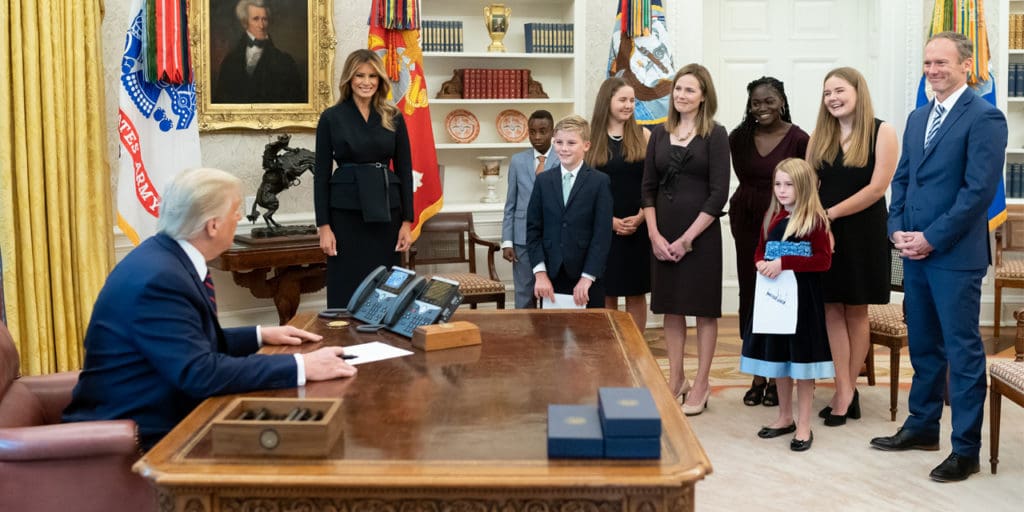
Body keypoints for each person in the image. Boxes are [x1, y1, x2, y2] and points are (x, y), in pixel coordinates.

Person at [62, 168, 357, 450]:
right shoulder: (159, 279)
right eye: (235, 210)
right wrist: (302, 366)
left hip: (164, 412)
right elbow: (199, 373)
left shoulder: (165, 257)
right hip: (142, 437)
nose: (239, 217)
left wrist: (259, 335)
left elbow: (186, 343)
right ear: (213, 225)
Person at [871, 31, 1008, 483]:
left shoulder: (985, 117)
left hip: (954, 256)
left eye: (941, 63)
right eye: (928, 63)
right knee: (925, 346)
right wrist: (895, 228)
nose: (932, 70)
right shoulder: (917, 118)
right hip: (913, 253)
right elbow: (903, 180)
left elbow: (977, 193)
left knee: (961, 353)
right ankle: (923, 426)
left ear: (966, 65)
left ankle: (965, 449)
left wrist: (931, 237)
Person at [807, 67, 898, 427]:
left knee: (856, 311)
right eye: (827, 93)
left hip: (864, 232)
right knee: (830, 308)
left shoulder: (882, 131)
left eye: (839, 90)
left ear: (858, 92)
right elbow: (809, 187)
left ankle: (846, 393)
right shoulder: (819, 136)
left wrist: (831, 214)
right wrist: (819, 222)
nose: (833, 98)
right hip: (825, 234)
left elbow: (877, 189)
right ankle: (844, 389)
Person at [642, 64, 730, 415]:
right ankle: (676, 379)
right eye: (678, 89)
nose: (681, 95)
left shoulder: (716, 135)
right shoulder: (659, 134)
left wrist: (688, 238)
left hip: (701, 237)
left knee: (704, 312)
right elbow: (647, 188)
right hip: (662, 236)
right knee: (671, 309)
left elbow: (719, 193)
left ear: (704, 96)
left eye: (690, 90)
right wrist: (654, 234)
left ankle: (702, 383)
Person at [740, 158, 834, 452]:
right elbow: (760, 249)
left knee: (801, 365)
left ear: (803, 187)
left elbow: (823, 260)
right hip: (774, 303)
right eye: (778, 184)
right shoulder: (773, 217)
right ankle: (784, 417)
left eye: (789, 185)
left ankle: (804, 424)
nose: (781, 190)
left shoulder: (815, 221)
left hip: (802, 304)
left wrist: (784, 263)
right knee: (779, 360)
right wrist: (760, 262)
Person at [728, 76, 809, 408]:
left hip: (784, 224)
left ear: (782, 102)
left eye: (769, 101)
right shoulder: (737, 138)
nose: (762, 108)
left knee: (778, 296)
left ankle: (779, 377)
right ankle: (757, 374)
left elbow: (805, 185)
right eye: (756, 103)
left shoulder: (800, 139)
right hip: (746, 221)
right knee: (750, 294)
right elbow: (744, 179)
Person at [314, 49, 414, 308]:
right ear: (349, 79)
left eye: (372, 76)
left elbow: (405, 170)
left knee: (385, 287)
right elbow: (321, 175)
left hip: (387, 212)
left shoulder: (393, 116)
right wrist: (324, 227)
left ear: (380, 80)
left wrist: (407, 222)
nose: (366, 82)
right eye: (359, 75)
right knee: (345, 286)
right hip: (345, 215)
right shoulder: (331, 117)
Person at [527, 115, 613, 308]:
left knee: (590, 327)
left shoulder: (599, 182)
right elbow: (533, 230)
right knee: (551, 326)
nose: (564, 148)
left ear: (586, 145)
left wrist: (587, 277)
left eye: (571, 143)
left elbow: (602, 235)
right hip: (550, 276)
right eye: (559, 142)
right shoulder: (543, 181)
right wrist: (540, 274)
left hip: (587, 276)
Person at [586, 77, 652, 331]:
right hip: (602, 228)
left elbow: (652, 183)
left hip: (638, 226)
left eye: (632, 100)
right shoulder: (590, 138)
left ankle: (636, 347)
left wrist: (642, 216)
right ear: (607, 101)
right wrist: (609, 222)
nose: (628, 105)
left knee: (636, 292)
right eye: (622, 100)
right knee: (607, 290)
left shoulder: (644, 135)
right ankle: (612, 346)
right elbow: (585, 188)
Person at [502, 110, 558, 309]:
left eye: (543, 131)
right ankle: (524, 327)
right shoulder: (518, 161)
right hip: (522, 239)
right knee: (524, 292)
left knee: (552, 293)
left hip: (553, 237)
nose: (537, 137)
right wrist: (507, 241)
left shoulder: (562, 158)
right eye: (532, 132)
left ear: (553, 132)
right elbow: (510, 204)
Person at [213, 0, 304, 104]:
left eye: (264, 19)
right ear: (244, 22)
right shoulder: (229, 61)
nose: (261, 25)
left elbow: (295, 101)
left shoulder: (285, 62)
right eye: (256, 19)